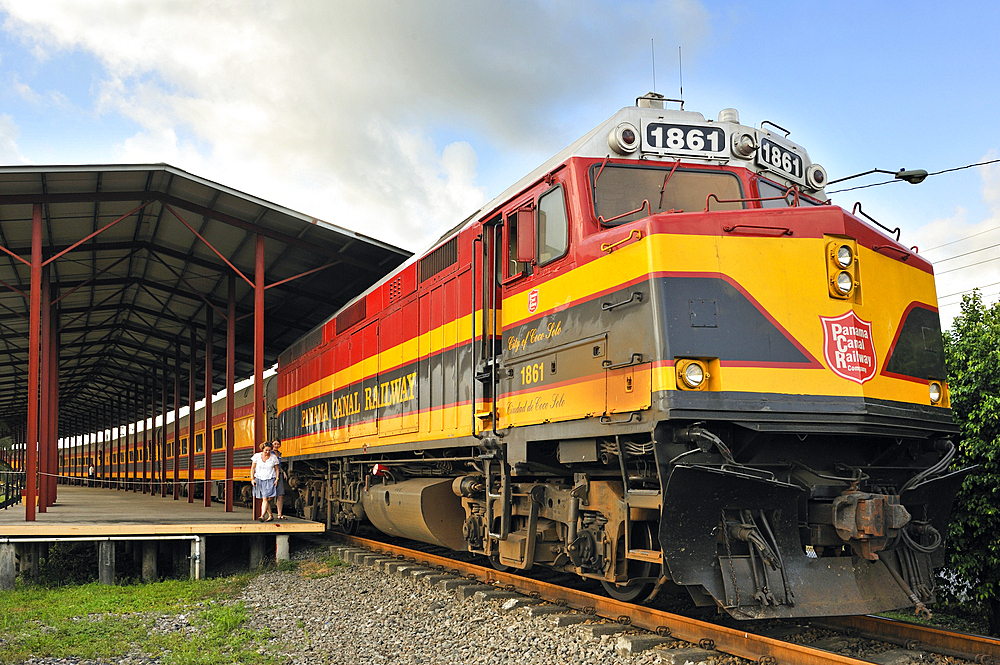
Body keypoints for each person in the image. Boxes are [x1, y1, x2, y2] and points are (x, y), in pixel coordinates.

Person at [249, 443, 279, 522]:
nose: (268, 452)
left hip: (270, 479)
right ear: (262, 449)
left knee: (265, 498)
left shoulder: (273, 458)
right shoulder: (257, 456)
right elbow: (253, 468)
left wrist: (277, 479)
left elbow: (276, 469)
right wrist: (252, 478)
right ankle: (270, 515)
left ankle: (262, 516)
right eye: (266, 450)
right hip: (259, 479)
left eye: (269, 450)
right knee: (265, 499)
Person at [272, 439, 288, 519]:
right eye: (275, 444)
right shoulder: (269, 453)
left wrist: (283, 472)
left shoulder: (279, 453)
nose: (276, 445)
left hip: (279, 475)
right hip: (271, 475)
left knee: (280, 495)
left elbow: (278, 465)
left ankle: (279, 514)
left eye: (278, 444)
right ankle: (265, 513)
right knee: (269, 496)